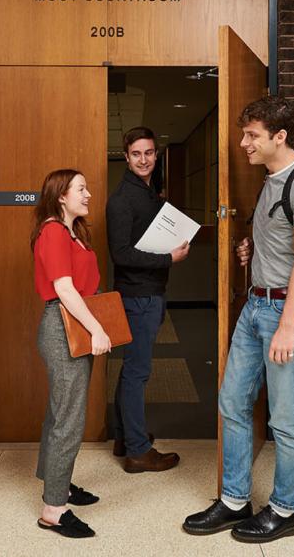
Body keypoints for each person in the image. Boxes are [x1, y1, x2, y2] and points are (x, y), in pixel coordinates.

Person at [183, 96, 294, 543]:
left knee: (284, 419)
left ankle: (285, 510)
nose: (244, 143)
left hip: (289, 313)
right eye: (244, 134)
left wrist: (287, 326)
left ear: (279, 137)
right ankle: (234, 501)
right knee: (232, 402)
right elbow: (280, 244)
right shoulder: (270, 181)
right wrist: (252, 251)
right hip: (255, 307)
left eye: (252, 135)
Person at [31, 169, 111, 539]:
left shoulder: (71, 232)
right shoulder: (52, 231)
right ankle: (53, 510)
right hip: (64, 327)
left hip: (73, 324)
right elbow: (64, 288)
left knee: (60, 412)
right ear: (61, 195)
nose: (88, 194)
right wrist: (96, 329)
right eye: (81, 188)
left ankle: (57, 485)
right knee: (69, 419)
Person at [106, 126, 189, 473]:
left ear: (156, 155)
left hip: (148, 293)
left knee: (132, 370)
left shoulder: (148, 192)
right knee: (137, 372)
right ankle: (138, 451)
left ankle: (125, 437)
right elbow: (121, 254)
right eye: (137, 154)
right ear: (126, 157)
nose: (144, 160)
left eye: (149, 153)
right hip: (138, 296)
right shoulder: (122, 200)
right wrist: (168, 258)